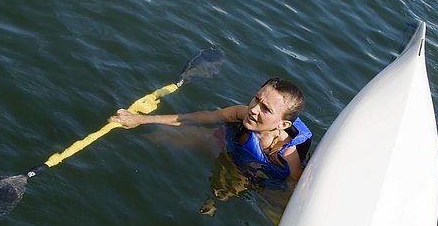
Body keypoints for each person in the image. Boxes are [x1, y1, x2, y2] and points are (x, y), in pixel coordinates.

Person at [109, 78, 312, 186]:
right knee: (158, 138)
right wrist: (140, 120)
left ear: (283, 125)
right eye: (256, 99)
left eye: (266, 109)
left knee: (227, 188)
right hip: (225, 144)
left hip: (255, 174)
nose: (254, 109)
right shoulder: (243, 114)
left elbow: (287, 193)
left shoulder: (287, 158)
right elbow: (193, 118)